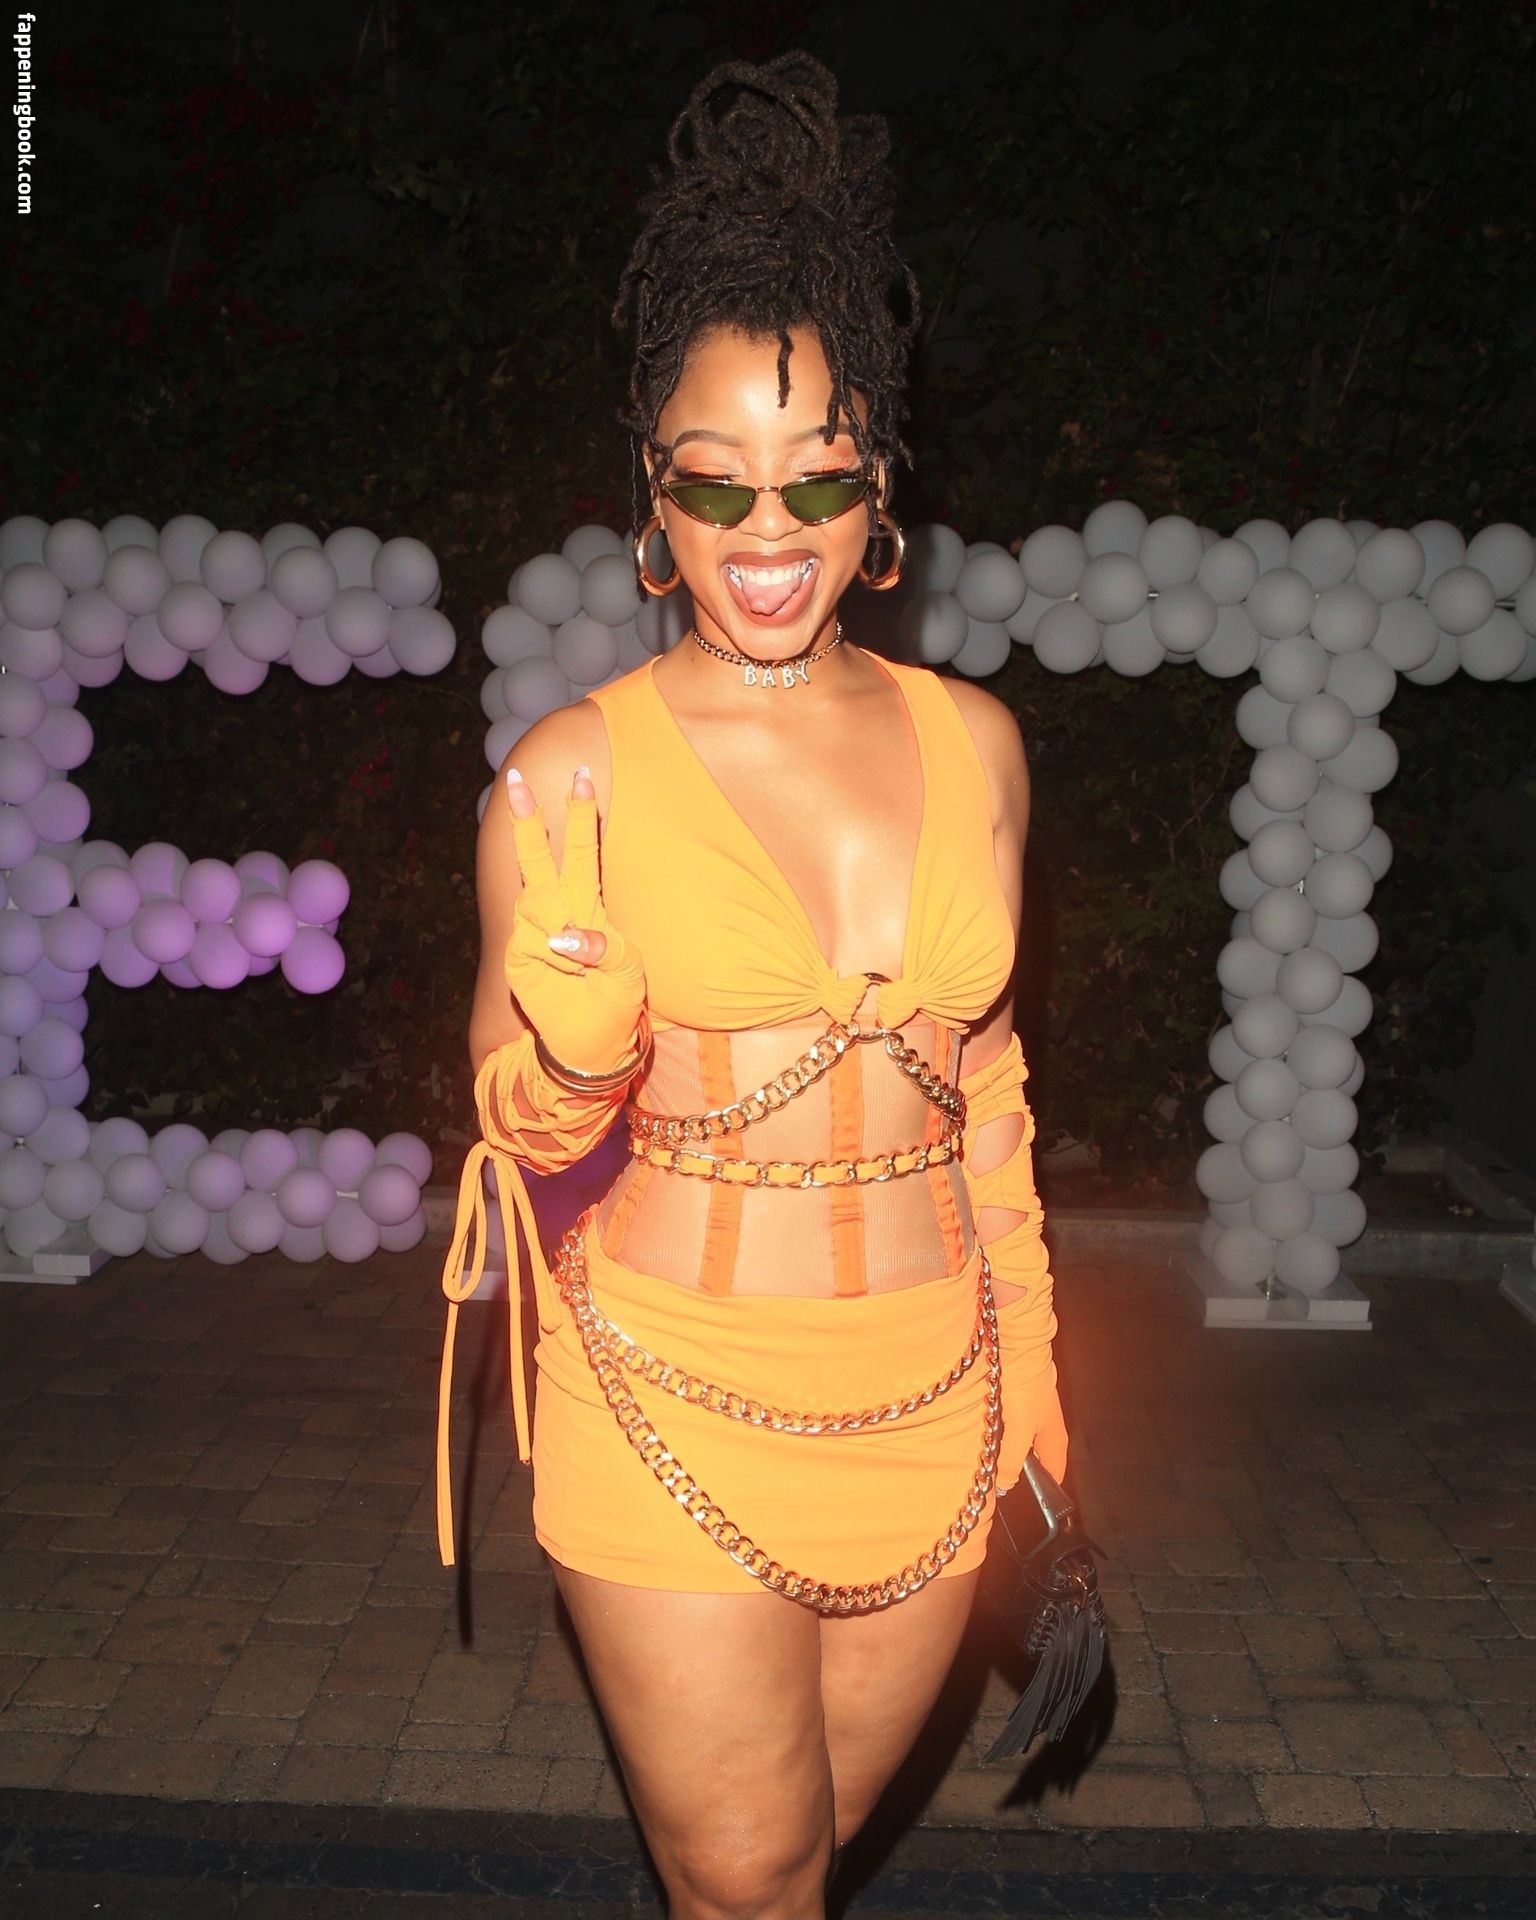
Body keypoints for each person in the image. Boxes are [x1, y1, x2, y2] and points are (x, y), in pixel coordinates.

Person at [437, 52, 1067, 1920]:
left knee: (804, 1867)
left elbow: (991, 1089)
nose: (768, 532)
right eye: (714, 479)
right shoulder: (574, 769)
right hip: (669, 1388)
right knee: (742, 1879)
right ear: (655, 492)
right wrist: (574, 1053)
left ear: (884, 492)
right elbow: (507, 1129)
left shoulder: (980, 744)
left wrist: (1038, 1377)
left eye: (821, 477)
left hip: (934, 1391)